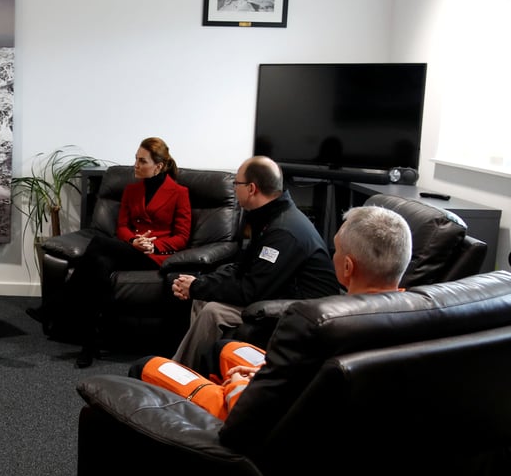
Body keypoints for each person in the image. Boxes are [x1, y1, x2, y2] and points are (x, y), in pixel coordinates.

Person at [136, 205, 412, 429]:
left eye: (336, 250)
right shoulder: (420, 315)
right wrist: (265, 371)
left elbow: (274, 392)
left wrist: (247, 380)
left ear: (348, 267)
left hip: (258, 422)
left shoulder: (317, 322)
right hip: (319, 405)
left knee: (147, 366)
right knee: (222, 349)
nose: (333, 256)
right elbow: (305, 374)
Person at [170, 155, 342, 370]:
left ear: (251, 188)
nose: (234, 188)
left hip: (301, 311)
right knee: (201, 299)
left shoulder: (283, 232)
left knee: (213, 311)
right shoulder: (268, 218)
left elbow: (252, 289)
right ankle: (202, 369)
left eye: (236, 183)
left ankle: (180, 373)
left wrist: (197, 286)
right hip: (277, 293)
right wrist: (199, 283)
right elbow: (242, 268)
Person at [63, 137, 191, 368]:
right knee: (99, 264)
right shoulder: (132, 190)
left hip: (154, 256)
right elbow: (122, 227)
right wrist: (134, 240)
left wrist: (154, 245)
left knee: (99, 243)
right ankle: (89, 344)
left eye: (142, 161)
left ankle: (58, 306)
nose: (136, 164)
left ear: (159, 166)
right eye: (135, 159)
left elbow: (182, 236)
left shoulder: (179, 192)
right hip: (131, 250)